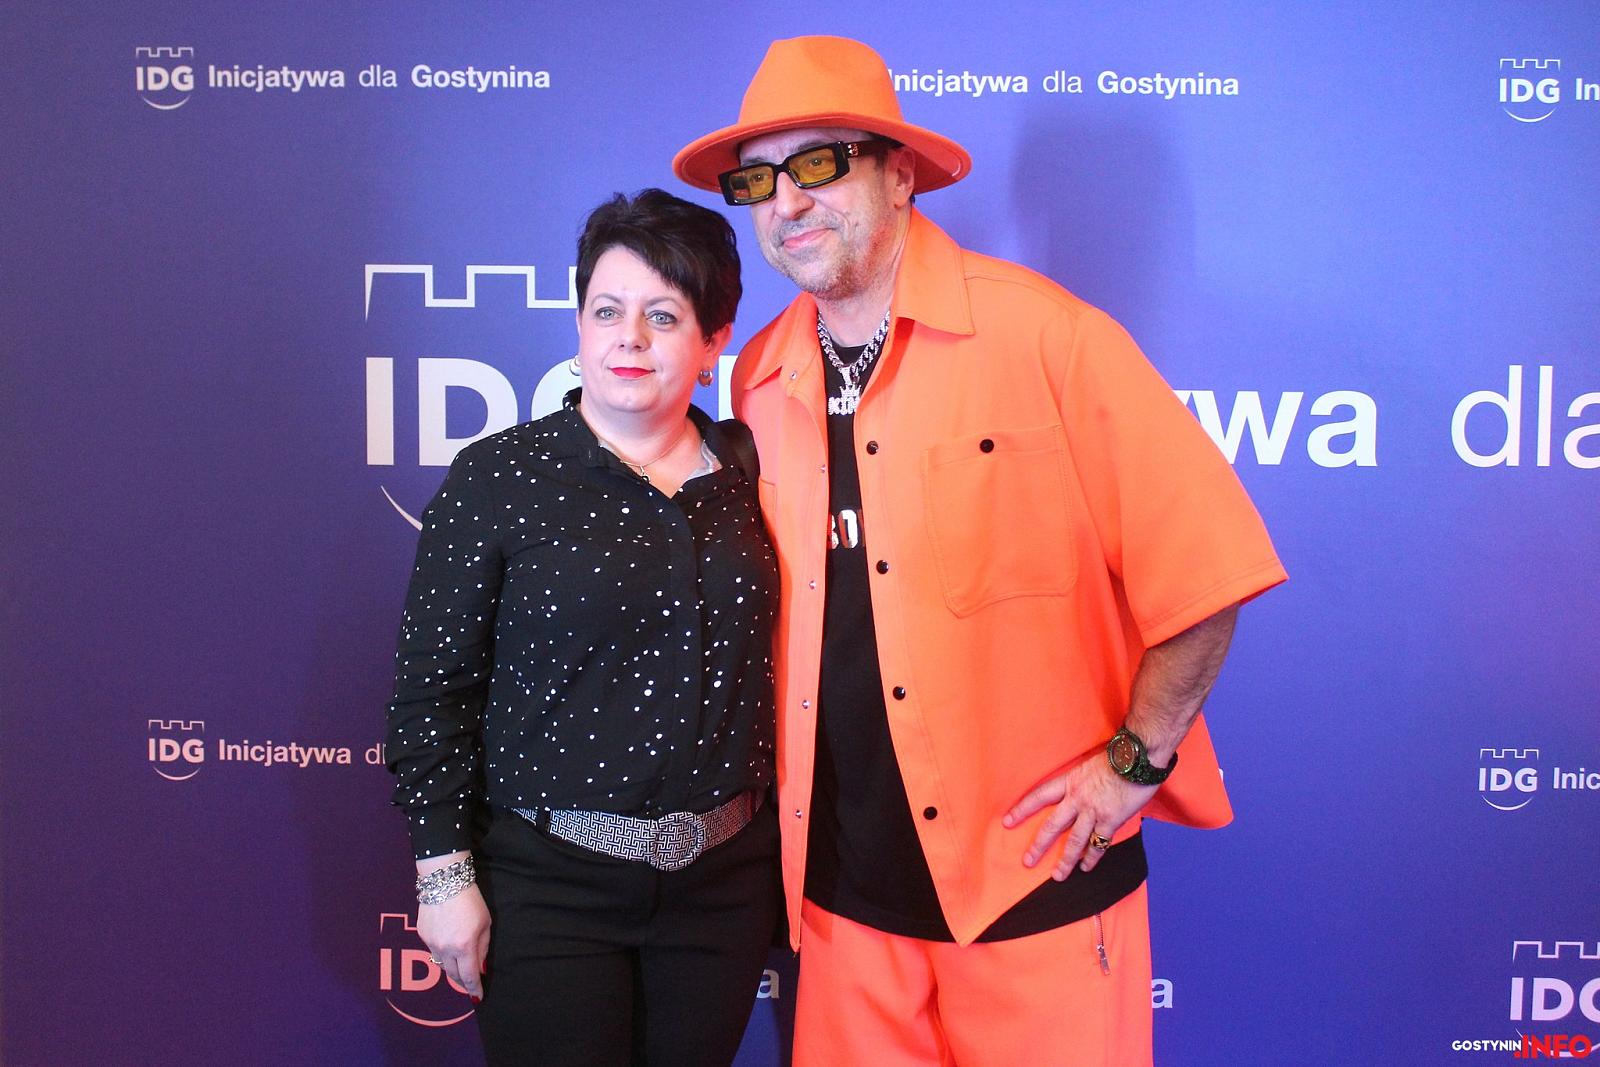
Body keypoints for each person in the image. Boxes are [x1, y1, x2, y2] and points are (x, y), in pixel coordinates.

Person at [673, 36, 1287, 1067]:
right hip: (840, 914)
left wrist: (1135, 763)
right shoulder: (760, 377)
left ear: (899, 175)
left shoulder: (1051, 338)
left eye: (818, 163)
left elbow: (1210, 569)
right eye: (758, 179)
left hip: (1036, 892)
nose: (787, 201)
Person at [384, 188, 780, 1067]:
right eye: (607, 310)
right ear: (579, 323)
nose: (628, 338)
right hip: (548, 889)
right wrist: (443, 875)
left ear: (714, 340)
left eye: (662, 316)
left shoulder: (757, 477)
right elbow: (431, 695)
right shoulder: (497, 478)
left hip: (724, 892)